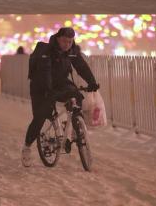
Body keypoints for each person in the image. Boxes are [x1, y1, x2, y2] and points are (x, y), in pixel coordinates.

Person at [21, 27, 100, 167]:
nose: (67, 45)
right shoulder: (47, 51)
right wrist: (49, 91)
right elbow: (46, 73)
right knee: (40, 117)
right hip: (41, 86)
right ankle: (27, 147)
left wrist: (92, 82)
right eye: (64, 41)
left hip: (60, 82)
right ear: (58, 38)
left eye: (70, 42)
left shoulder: (72, 51)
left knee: (77, 95)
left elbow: (81, 66)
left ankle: (76, 126)